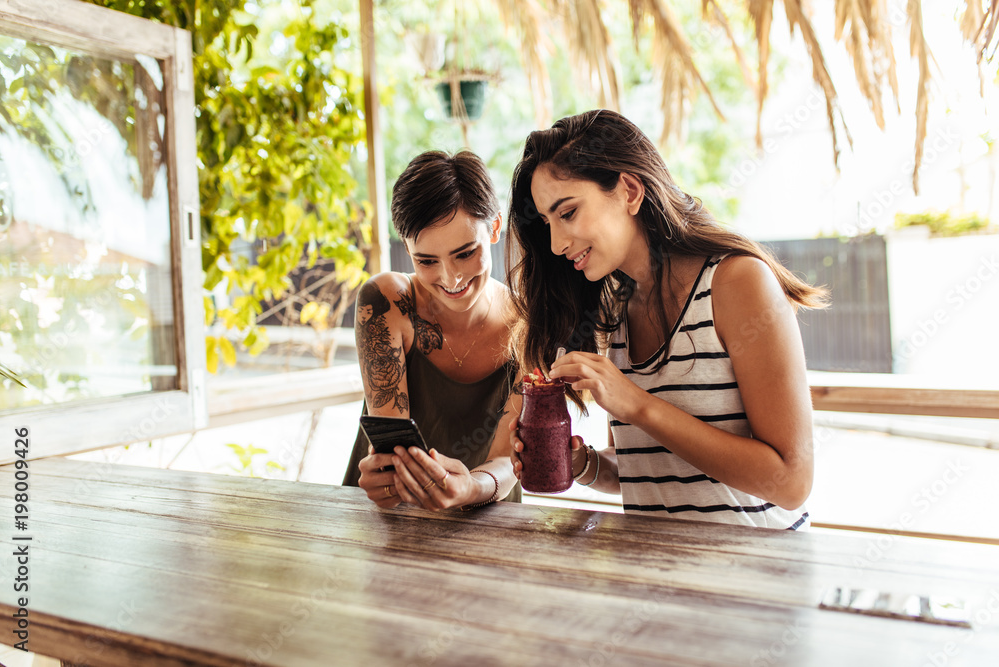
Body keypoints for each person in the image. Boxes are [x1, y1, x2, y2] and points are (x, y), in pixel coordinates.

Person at [506, 110, 827, 529]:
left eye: (567, 213)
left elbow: (790, 481)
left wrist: (637, 404)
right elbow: (652, 474)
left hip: (757, 581)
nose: (555, 243)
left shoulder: (737, 283)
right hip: (662, 578)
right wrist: (581, 463)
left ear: (630, 191)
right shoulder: (618, 310)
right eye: (547, 223)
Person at [343, 150, 521, 511]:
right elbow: (392, 447)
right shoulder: (386, 302)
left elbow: (510, 459)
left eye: (466, 252)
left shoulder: (528, 322)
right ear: (406, 247)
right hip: (389, 515)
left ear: (496, 228)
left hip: (489, 517)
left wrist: (472, 486)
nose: (450, 278)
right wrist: (385, 479)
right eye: (425, 260)